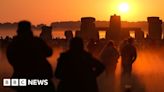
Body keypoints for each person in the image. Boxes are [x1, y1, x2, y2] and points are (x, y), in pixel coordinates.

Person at [6, 21, 55, 92]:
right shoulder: (37, 42)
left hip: (21, 77)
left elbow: (11, 59)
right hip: (40, 76)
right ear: (29, 29)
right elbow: (49, 52)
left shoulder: (13, 45)